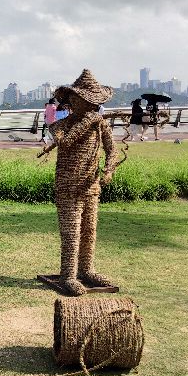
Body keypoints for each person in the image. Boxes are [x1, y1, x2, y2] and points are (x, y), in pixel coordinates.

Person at [47, 69, 118, 296]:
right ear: (72, 100)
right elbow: (66, 142)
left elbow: (112, 150)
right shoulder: (60, 125)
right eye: (81, 100)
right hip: (68, 187)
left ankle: (86, 269)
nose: (86, 105)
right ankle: (68, 275)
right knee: (72, 232)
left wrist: (108, 170)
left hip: (91, 185)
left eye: (90, 102)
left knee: (89, 230)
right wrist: (88, 122)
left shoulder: (100, 124)